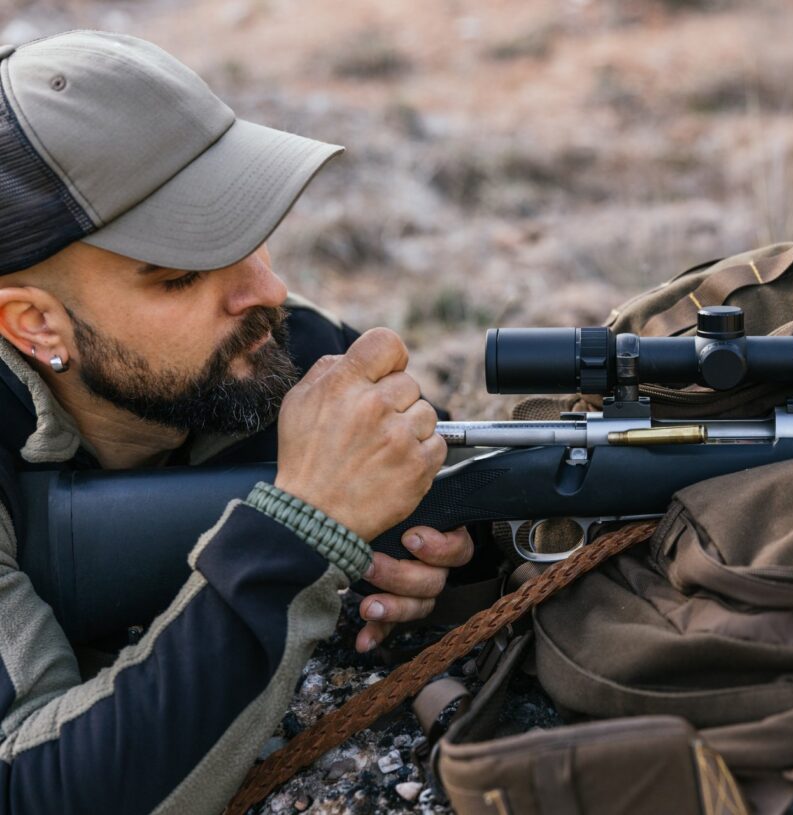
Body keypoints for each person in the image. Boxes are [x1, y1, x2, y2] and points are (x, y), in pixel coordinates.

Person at [0, 30, 473, 812]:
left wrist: (439, 558)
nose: (269, 289)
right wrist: (300, 531)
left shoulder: (272, 352)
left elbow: (469, 497)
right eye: (183, 274)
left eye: (248, 230)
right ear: (35, 326)